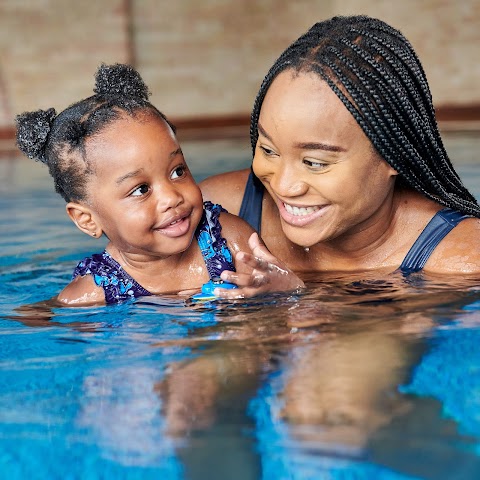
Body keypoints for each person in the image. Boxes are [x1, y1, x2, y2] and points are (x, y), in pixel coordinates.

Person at [200, 15, 480, 296]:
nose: (284, 186)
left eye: (314, 163)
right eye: (269, 150)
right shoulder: (214, 212)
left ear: (392, 155)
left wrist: (296, 299)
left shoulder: (461, 261)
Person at [15, 63, 303, 306]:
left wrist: (287, 289)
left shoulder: (229, 240)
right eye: (141, 189)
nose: (171, 197)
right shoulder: (93, 294)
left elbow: (286, 298)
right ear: (87, 220)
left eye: (177, 171)